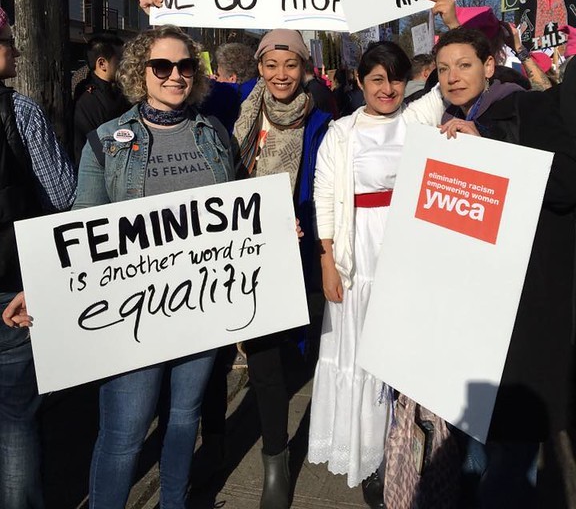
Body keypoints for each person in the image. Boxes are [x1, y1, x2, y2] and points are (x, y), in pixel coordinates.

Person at [73, 25, 235, 509]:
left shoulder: (214, 133)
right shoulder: (107, 142)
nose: (175, 76)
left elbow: (236, 211)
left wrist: (274, 231)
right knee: (124, 432)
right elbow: (81, 228)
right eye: (161, 66)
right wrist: (40, 289)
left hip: (201, 304)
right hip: (132, 314)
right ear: (139, 72)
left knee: (184, 418)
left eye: (185, 66)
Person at [434, 27, 576, 508]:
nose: (453, 77)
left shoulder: (529, 108)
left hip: (527, 305)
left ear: (490, 66)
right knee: (479, 439)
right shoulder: (447, 123)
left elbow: (567, 183)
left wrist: (491, 150)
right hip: (475, 306)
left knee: (514, 448)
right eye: (444, 69)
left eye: (465, 65)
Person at [307, 41, 447, 508]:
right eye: (377, 79)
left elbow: (455, 76)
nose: (387, 89)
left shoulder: (417, 117)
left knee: (403, 352)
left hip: (409, 249)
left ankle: (404, 450)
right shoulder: (342, 132)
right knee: (364, 353)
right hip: (359, 251)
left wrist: (450, 21)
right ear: (360, 81)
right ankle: (371, 458)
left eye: (396, 79)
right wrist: (327, 260)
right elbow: (325, 197)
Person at [232, 28, 331, 509]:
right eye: (271, 65)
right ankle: (273, 456)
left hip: (298, 253)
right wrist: (155, 11)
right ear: (258, 68)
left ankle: (289, 450)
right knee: (262, 360)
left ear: (305, 69)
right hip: (245, 257)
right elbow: (170, 87)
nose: (280, 75)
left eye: (291, 65)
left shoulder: (323, 123)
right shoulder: (238, 109)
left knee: (291, 354)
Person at [0, 6, 76, 509]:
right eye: (7, 39)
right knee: (15, 419)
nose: (15, 48)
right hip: (12, 288)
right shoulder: (20, 111)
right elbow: (63, 194)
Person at [73, 33, 128, 163]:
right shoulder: (87, 100)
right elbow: (94, 147)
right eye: (120, 60)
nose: (125, 66)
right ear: (102, 63)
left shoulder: (120, 90)